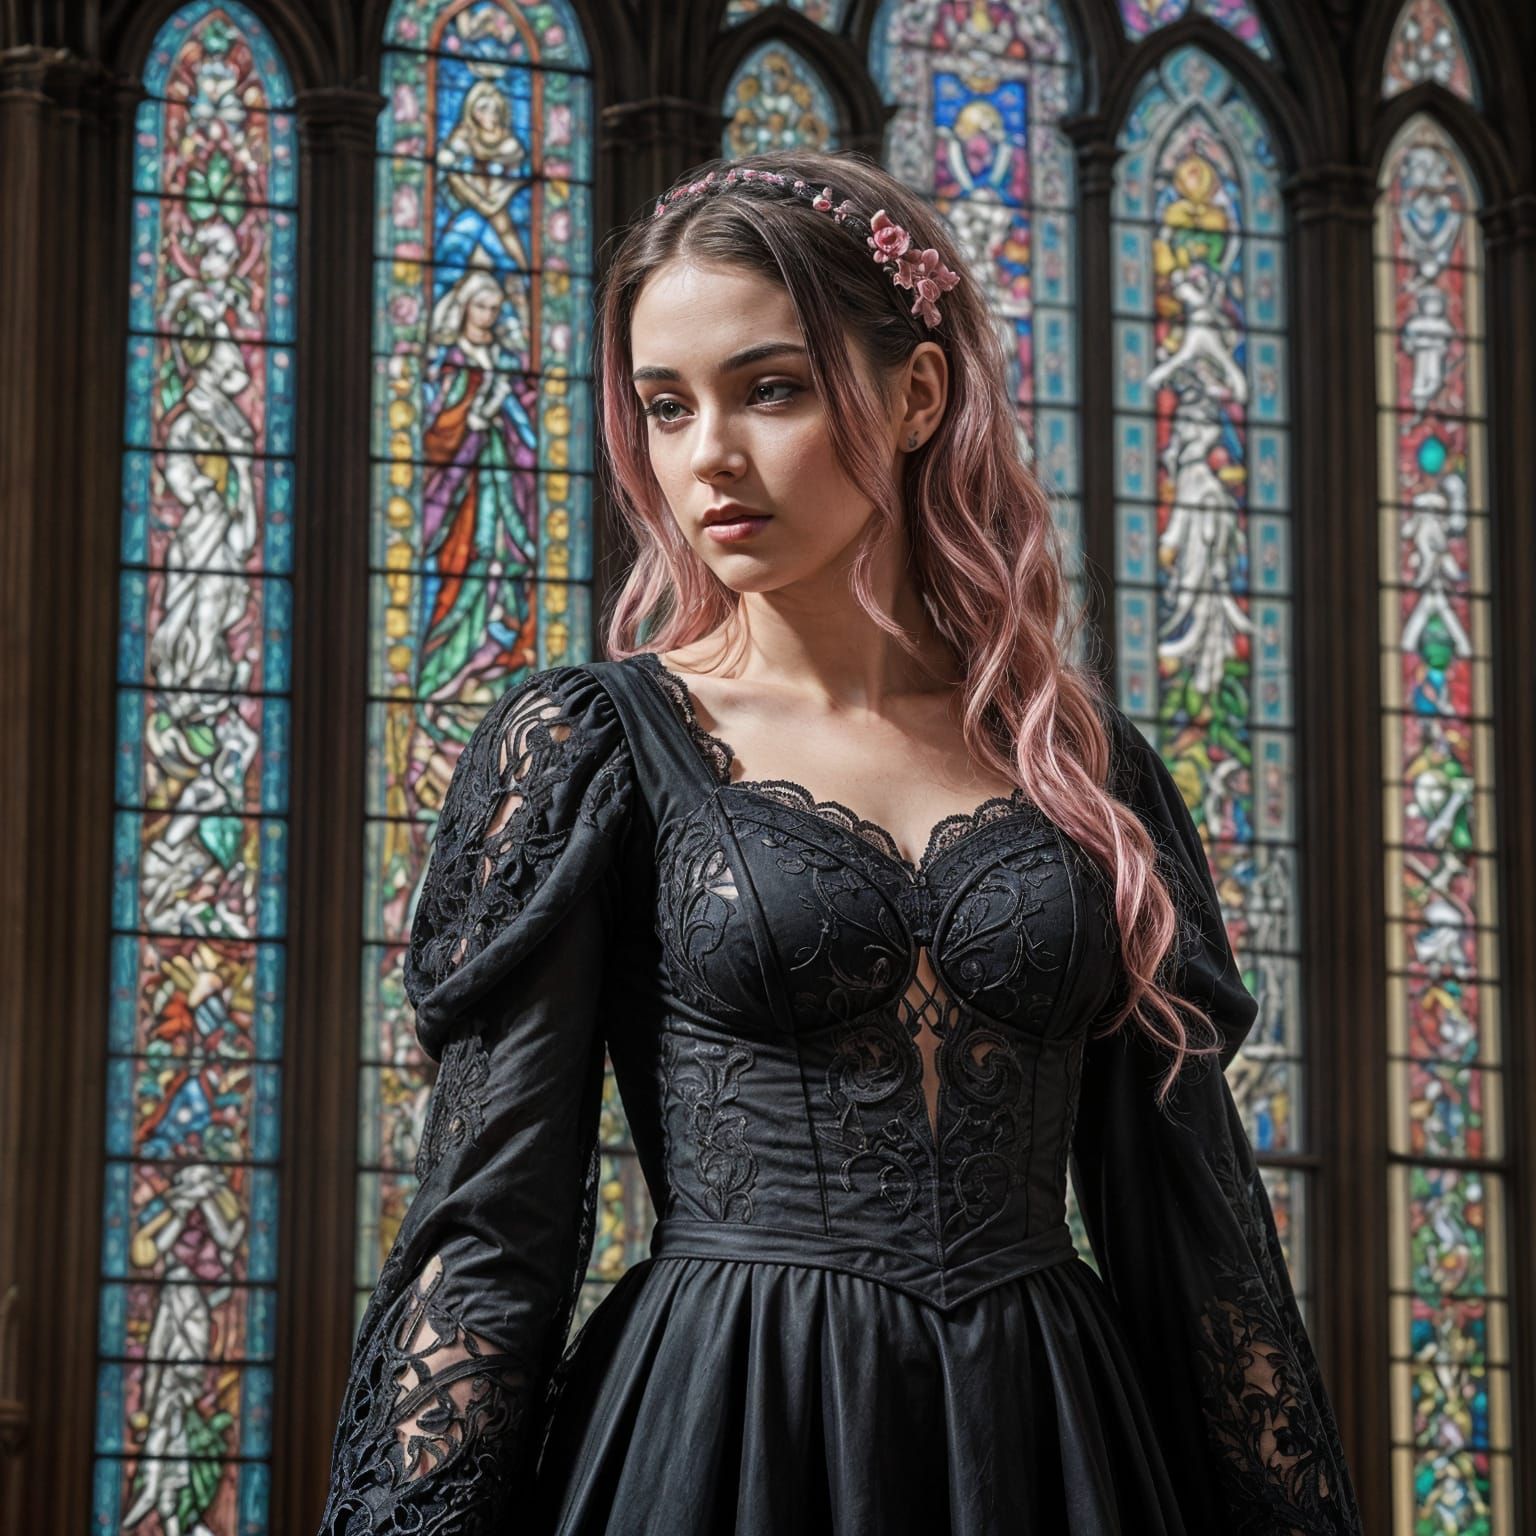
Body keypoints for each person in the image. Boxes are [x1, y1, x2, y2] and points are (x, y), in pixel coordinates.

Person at [317, 148, 1362, 1535]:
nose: (710, 459)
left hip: (1050, 1441)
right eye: (665, 407)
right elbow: (491, 1227)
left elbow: (1193, 1232)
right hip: (728, 1427)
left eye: (772, 390)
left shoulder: (1084, 771)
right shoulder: (591, 746)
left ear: (917, 393)